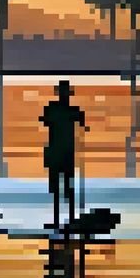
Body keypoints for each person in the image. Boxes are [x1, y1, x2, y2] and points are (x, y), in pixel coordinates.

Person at [40, 80, 89, 231]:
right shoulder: (69, 110)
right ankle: (65, 219)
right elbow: (82, 123)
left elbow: (44, 120)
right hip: (63, 153)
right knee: (63, 187)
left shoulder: (55, 109)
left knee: (63, 187)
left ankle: (64, 219)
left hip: (59, 153)